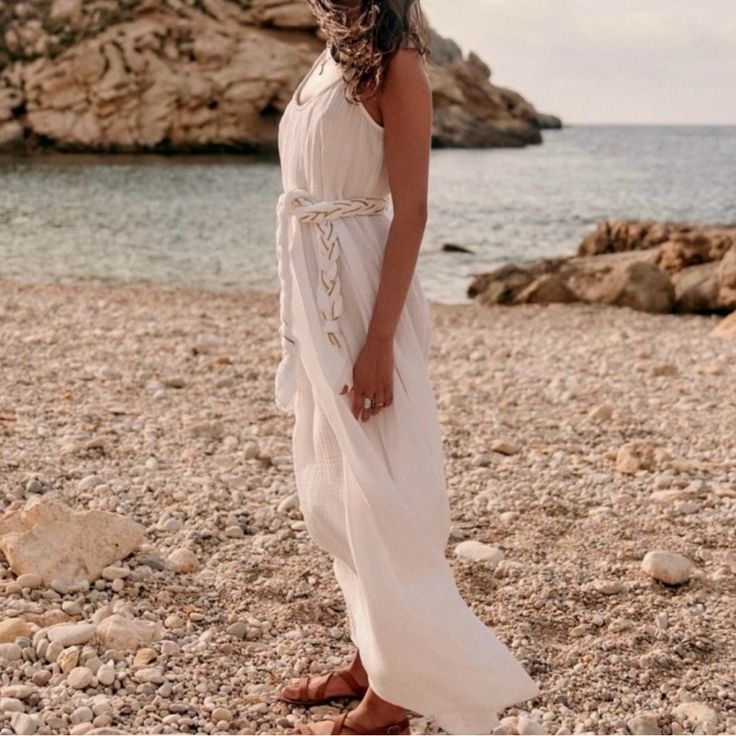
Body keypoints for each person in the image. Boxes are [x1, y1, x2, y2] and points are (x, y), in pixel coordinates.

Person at [273, 1, 541, 733]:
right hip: (321, 294)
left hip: (363, 298)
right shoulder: (335, 52)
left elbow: (412, 211)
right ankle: (373, 654)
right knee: (333, 484)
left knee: (385, 482)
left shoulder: (401, 64)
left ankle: (399, 689)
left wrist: (377, 342)